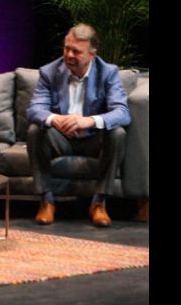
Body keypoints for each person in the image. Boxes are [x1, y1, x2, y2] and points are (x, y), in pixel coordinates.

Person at [26, 23, 131, 227]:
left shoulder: (108, 72)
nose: (69, 55)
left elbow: (122, 112)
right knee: (35, 130)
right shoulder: (49, 72)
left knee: (117, 133)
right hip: (61, 138)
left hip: (93, 138)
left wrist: (89, 120)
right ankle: (46, 200)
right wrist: (54, 119)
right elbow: (34, 109)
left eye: (76, 51)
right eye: (67, 49)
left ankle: (99, 202)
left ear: (92, 55)